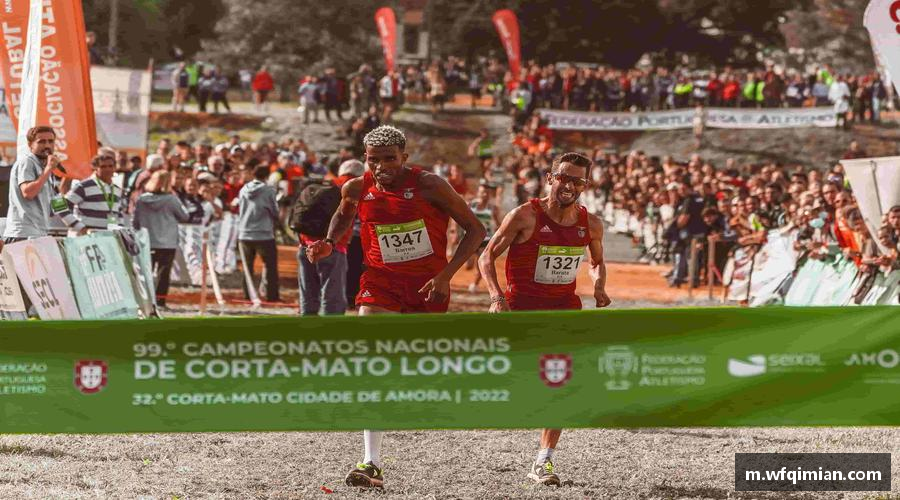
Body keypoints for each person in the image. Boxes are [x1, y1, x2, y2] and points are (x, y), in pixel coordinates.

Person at [305, 125, 485, 489]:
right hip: (380, 282)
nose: (382, 166)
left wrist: (447, 275)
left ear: (404, 157)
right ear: (365, 159)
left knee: (416, 367)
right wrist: (329, 242)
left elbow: (475, 229)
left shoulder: (430, 185)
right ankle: (371, 462)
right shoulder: (356, 187)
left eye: (390, 159)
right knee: (372, 363)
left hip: (427, 286)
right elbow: (344, 213)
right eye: (374, 160)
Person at [478, 151, 610, 487]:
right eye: (563, 177)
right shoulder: (525, 215)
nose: (569, 185)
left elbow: (596, 262)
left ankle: (544, 460)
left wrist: (599, 287)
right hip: (521, 309)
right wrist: (496, 297)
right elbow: (486, 257)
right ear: (550, 178)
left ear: (585, 185)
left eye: (577, 180)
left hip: (564, 309)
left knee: (560, 382)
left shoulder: (591, 224)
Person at [296, 160, 364, 315]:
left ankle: (306, 325)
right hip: (334, 246)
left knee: (307, 294)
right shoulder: (354, 188)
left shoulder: (322, 183)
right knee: (333, 296)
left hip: (305, 244)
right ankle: (331, 326)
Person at [132, 170, 192, 308]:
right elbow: (184, 216)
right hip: (167, 242)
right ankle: (160, 301)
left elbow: (135, 221)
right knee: (163, 273)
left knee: (146, 272)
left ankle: (145, 300)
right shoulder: (171, 199)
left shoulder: (141, 200)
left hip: (147, 241)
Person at [3, 126, 62, 244]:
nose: (47, 145)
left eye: (51, 141)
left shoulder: (45, 167)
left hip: (39, 233)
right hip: (23, 234)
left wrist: (76, 223)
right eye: (41, 142)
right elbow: (28, 193)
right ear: (30, 144)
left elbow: (56, 205)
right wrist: (48, 169)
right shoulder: (27, 162)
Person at [238, 163, 280, 303]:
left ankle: (247, 294)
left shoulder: (243, 189)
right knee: (270, 266)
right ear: (267, 176)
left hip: (244, 232)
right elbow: (275, 211)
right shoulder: (269, 190)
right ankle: (271, 296)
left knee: (247, 267)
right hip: (264, 233)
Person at [57, 154, 123, 233]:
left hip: (108, 236)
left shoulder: (116, 189)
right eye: (103, 167)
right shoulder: (83, 186)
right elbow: (59, 206)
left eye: (110, 166)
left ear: (115, 168)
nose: (107, 169)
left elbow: (118, 213)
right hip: (87, 237)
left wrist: (118, 231)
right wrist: (79, 227)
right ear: (95, 168)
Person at [466, 182, 501, 292]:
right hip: (471, 238)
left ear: (490, 194)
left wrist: (498, 235)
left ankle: (474, 284)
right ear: (478, 193)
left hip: (485, 240)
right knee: (468, 265)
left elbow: (499, 224)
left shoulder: (493, 208)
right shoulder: (470, 205)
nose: (485, 194)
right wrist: (456, 233)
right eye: (482, 192)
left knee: (482, 264)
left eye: (487, 193)